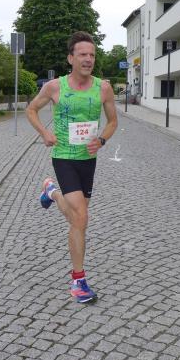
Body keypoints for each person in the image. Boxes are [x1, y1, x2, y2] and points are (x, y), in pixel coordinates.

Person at [25, 31, 117, 303]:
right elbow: (31, 109)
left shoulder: (103, 88)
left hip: (88, 159)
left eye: (92, 55)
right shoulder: (55, 87)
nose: (88, 59)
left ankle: (52, 193)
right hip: (63, 155)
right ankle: (78, 281)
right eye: (82, 54)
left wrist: (101, 140)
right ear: (70, 58)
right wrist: (45, 132)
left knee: (79, 216)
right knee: (81, 217)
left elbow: (113, 121)